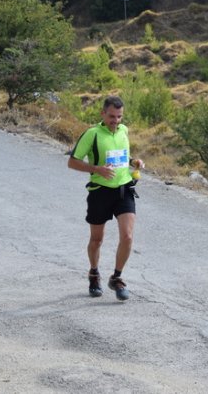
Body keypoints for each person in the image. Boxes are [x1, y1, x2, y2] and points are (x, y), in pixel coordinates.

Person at [67, 96, 144, 300]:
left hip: (124, 190)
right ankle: (94, 274)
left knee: (127, 237)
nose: (115, 121)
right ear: (103, 113)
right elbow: (72, 162)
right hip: (100, 191)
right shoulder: (92, 134)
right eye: (111, 116)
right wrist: (96, 169)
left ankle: (116, 278)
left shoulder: (124, 130)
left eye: (119, 116)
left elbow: (121, 156)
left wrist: (134, 162)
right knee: (97, 239)